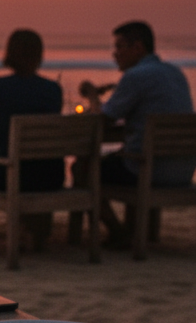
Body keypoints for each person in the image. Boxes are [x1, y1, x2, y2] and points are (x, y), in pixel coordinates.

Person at [78, 19, 195, 244]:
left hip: (150, 171)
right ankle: (140, 231)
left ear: (138, 48)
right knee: (125, 156)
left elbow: (101, 119)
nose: (115, 54)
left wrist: (92, 95)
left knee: (83, 168)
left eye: (120, 47)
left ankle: (118, 233)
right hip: (182, 171)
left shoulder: (135, 76)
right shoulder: (175, 73)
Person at [0, 28, 64, 255]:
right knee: (30, 167)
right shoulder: (54, 90)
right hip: (50, 176)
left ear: (9, 53)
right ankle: (29, 232)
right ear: (39, 55)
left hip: (9, 175)